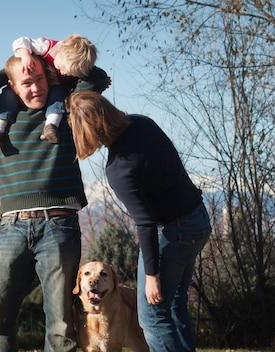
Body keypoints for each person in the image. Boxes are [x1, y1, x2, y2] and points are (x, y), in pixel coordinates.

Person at [0, 55, 110, 352]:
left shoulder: (67, 109)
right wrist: (14, 67)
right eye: (26, 83)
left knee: (61, 323)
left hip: (59, 225)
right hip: (11, 228)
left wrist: (49, 59)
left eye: (40, 79)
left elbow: (96, 76)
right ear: (13, 87)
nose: (35, 88)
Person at [65, 90, 212, 352]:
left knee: (152, 317)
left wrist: (153, 275)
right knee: (175, 303)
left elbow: (145, 223)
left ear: (86, 129)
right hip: (199, 220)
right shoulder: (142, 122)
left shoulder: (119, 168)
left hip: (175, 231)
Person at [0, 34, 103, 149]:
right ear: (60, 53)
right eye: (64, 68)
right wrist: (23, 57)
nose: (65, 73)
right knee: (7, 97)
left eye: (71, 73)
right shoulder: (45, 47)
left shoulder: (72, 63)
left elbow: (97, 75)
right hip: (28, 72)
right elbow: (21, 41)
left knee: (58, 96)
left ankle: (51, 126)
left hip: (54, 87)